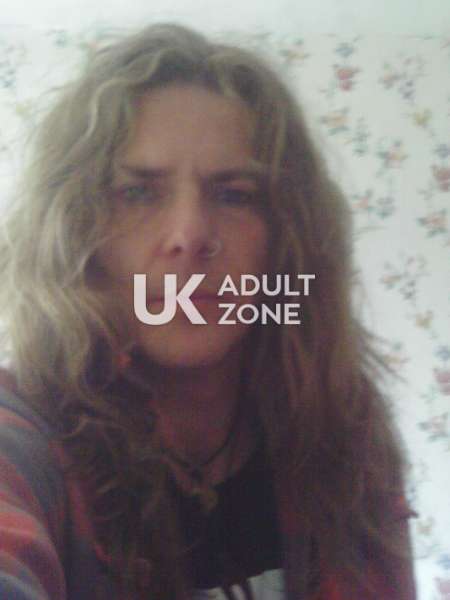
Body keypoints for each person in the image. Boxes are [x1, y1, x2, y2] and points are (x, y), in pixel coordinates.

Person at [0, 23, 416, 600]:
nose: (191, 235)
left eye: (235, 194)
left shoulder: (344, 428)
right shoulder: (23, 433)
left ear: (286, 241)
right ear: (76, 232)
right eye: (138, 193)